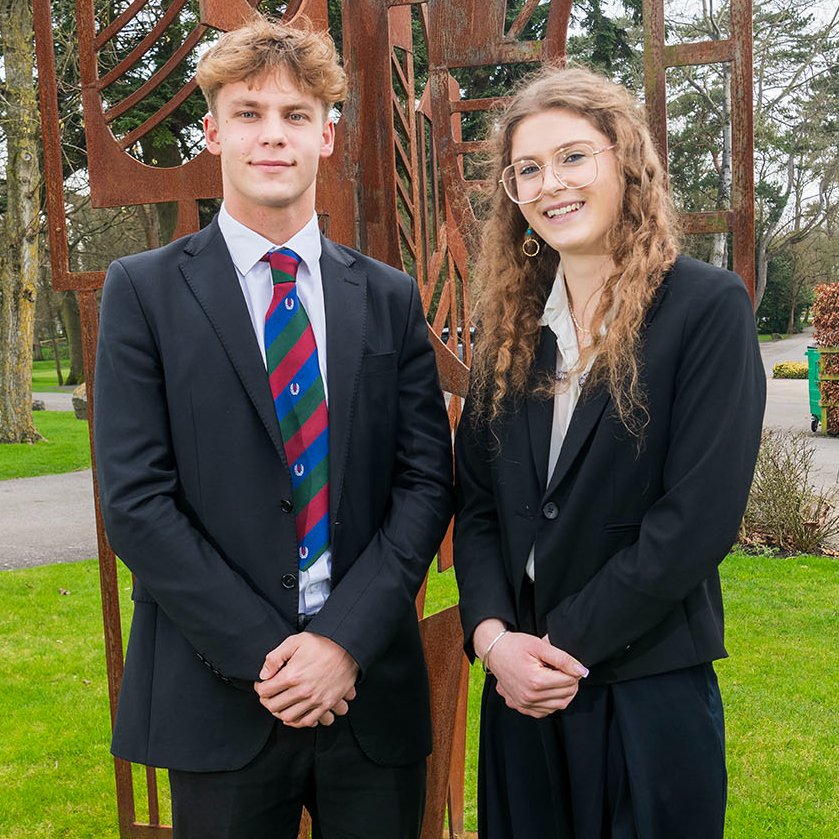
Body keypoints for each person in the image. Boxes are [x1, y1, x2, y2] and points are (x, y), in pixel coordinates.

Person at [93, 15, 452, 839]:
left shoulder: (388, 297)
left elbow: (425, 480)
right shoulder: (143, 292)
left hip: (367, 692)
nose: (272, 137)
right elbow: (138, 501)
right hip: (219, 691)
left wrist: (341, 644)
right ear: (213, 130)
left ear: (327, 136)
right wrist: (273, 656)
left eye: (296, 117)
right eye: (249, 113)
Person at [453, 65, 765, 838]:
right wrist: (494, 642)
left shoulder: (705, 308)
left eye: (571, 157)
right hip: (520, 694)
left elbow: (695, 519)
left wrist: (554, 650)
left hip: (643, 689)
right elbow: (479, 506)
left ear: (624, 161)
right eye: (527, 169)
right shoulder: (510, 334)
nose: (549, 183)